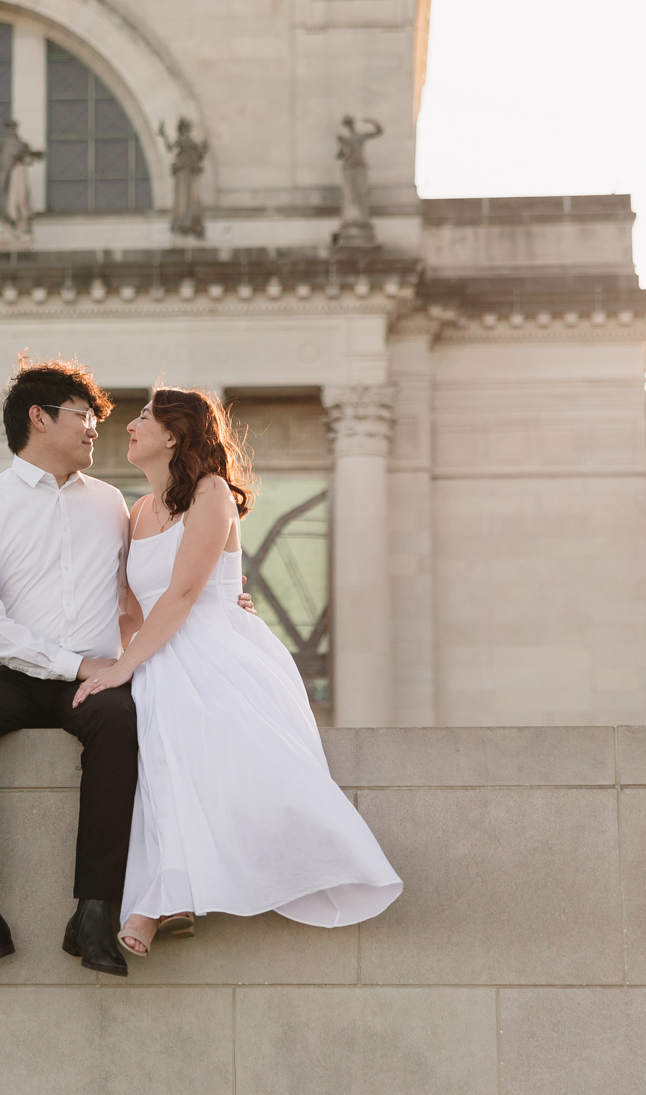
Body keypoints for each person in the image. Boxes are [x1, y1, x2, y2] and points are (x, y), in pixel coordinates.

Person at [0, 357, 257, 981]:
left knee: (119, 726)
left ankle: (94, 913)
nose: (97, 427)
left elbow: (151, 586)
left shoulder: (114, 506)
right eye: (84, 416)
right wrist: (71, 662)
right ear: (39, 419)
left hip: (96, 681)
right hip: (16, 675)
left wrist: (226, 600)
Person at [73, 386, 402, 956]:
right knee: (145, 722)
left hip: (213, 646)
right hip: (158, 648)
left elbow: (182, 594)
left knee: (171, 715)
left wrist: (126, 666)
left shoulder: (211, 492)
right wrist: (116, 661)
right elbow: (131, 608)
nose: (130, 424)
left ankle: (161, 899)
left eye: (144, 417)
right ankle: (170, 893)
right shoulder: (137, 511)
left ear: (173, 435)